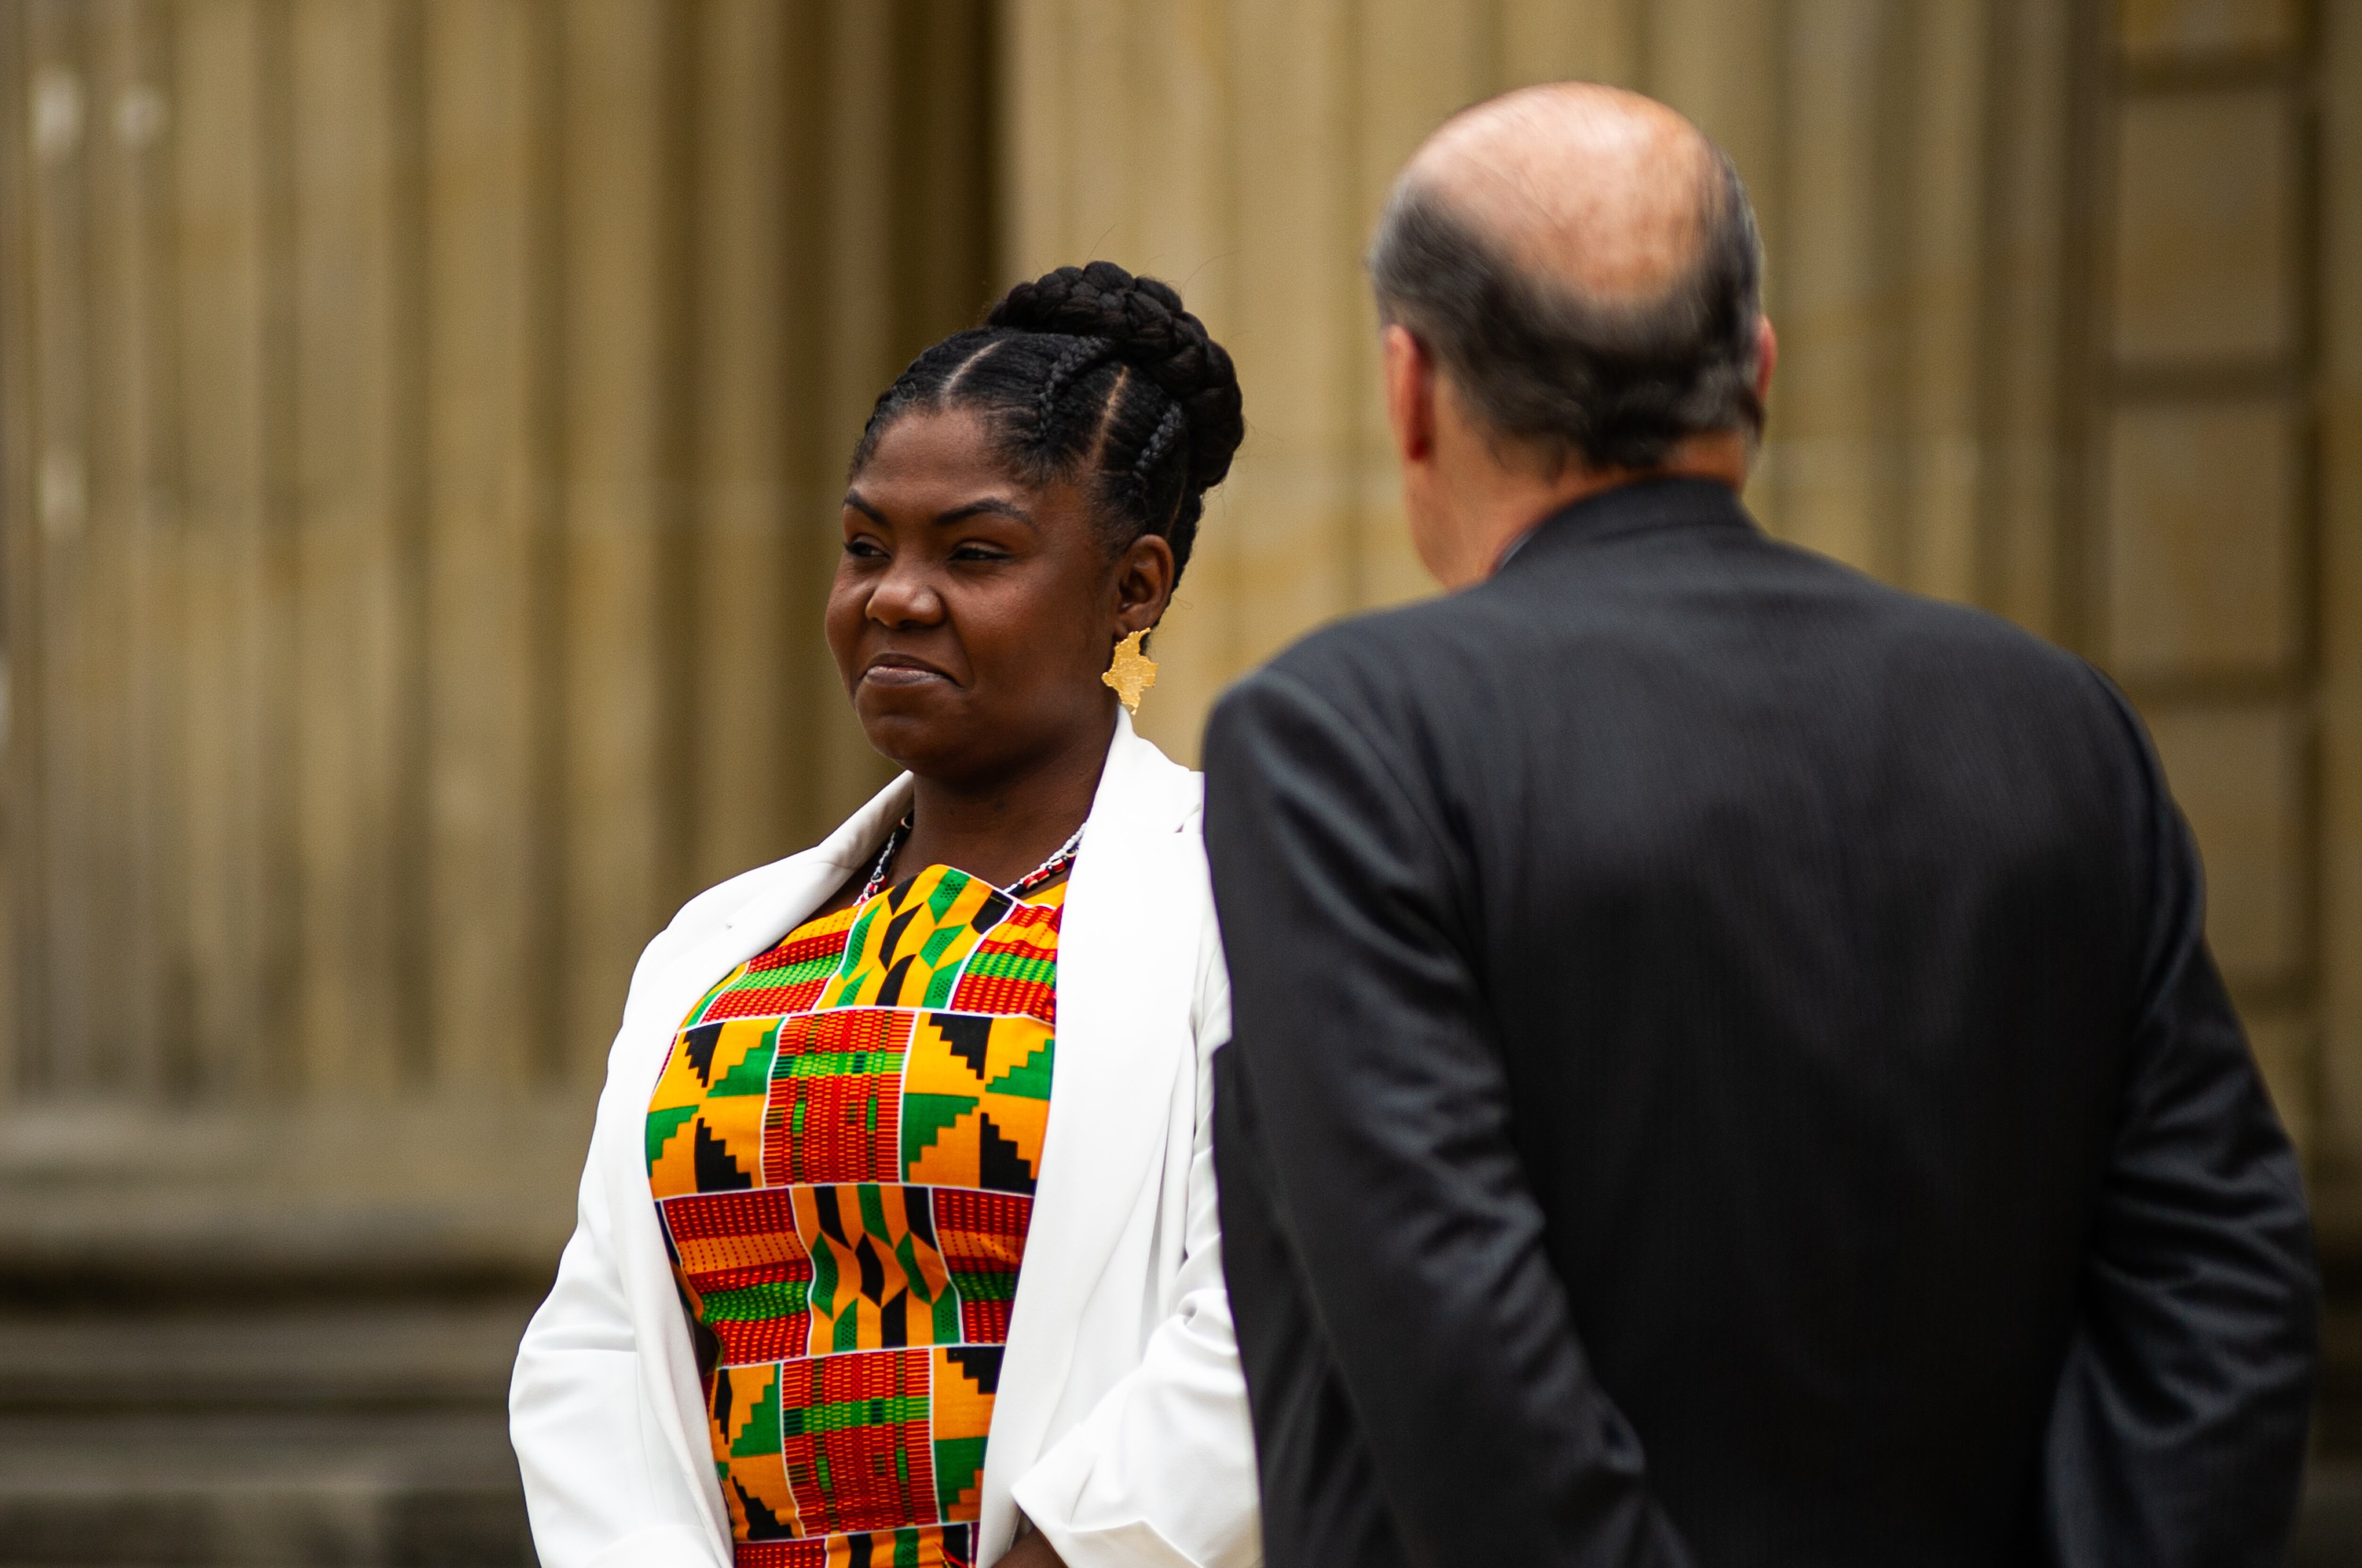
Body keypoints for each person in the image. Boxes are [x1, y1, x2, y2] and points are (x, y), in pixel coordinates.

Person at [1203, 83, 2319, 1568]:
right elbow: (2227, 1288)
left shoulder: (1340, 743)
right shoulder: (2056, 725)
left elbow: (1459, 1348)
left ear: (1411, 387)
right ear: (1759, 373)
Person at [512, 261, 1261, 1568]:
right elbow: (601, 1349)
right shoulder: (716, 951)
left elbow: (1265, 1315)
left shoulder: (1238, 906)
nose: (894, 596)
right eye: (866, 547)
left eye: (975, 554)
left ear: (1134, 588)